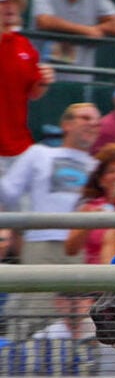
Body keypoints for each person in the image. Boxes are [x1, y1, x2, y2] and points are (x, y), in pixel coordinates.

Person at [0, 102, 100, 340]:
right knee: (34, 316)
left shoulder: (98, 166)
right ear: (66, 124)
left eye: (96, 121)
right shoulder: (38, 154)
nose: (91, 124)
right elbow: (9, 191)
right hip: (41, 246)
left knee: (72, 324)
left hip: (79, 251)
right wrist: (17, 232)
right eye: (85, 118)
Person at [0, 0, 54, 174]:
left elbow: (33, 92)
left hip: (20, 147)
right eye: (3, 2)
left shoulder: (25, 46)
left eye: (13, 2)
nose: (10, 7)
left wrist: (43, 82)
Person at [64, 142, 115, 265]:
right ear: (101, 180)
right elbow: (70, 249)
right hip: (97, 277)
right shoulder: (89, 208)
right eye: (111, 171)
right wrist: (91, 222)